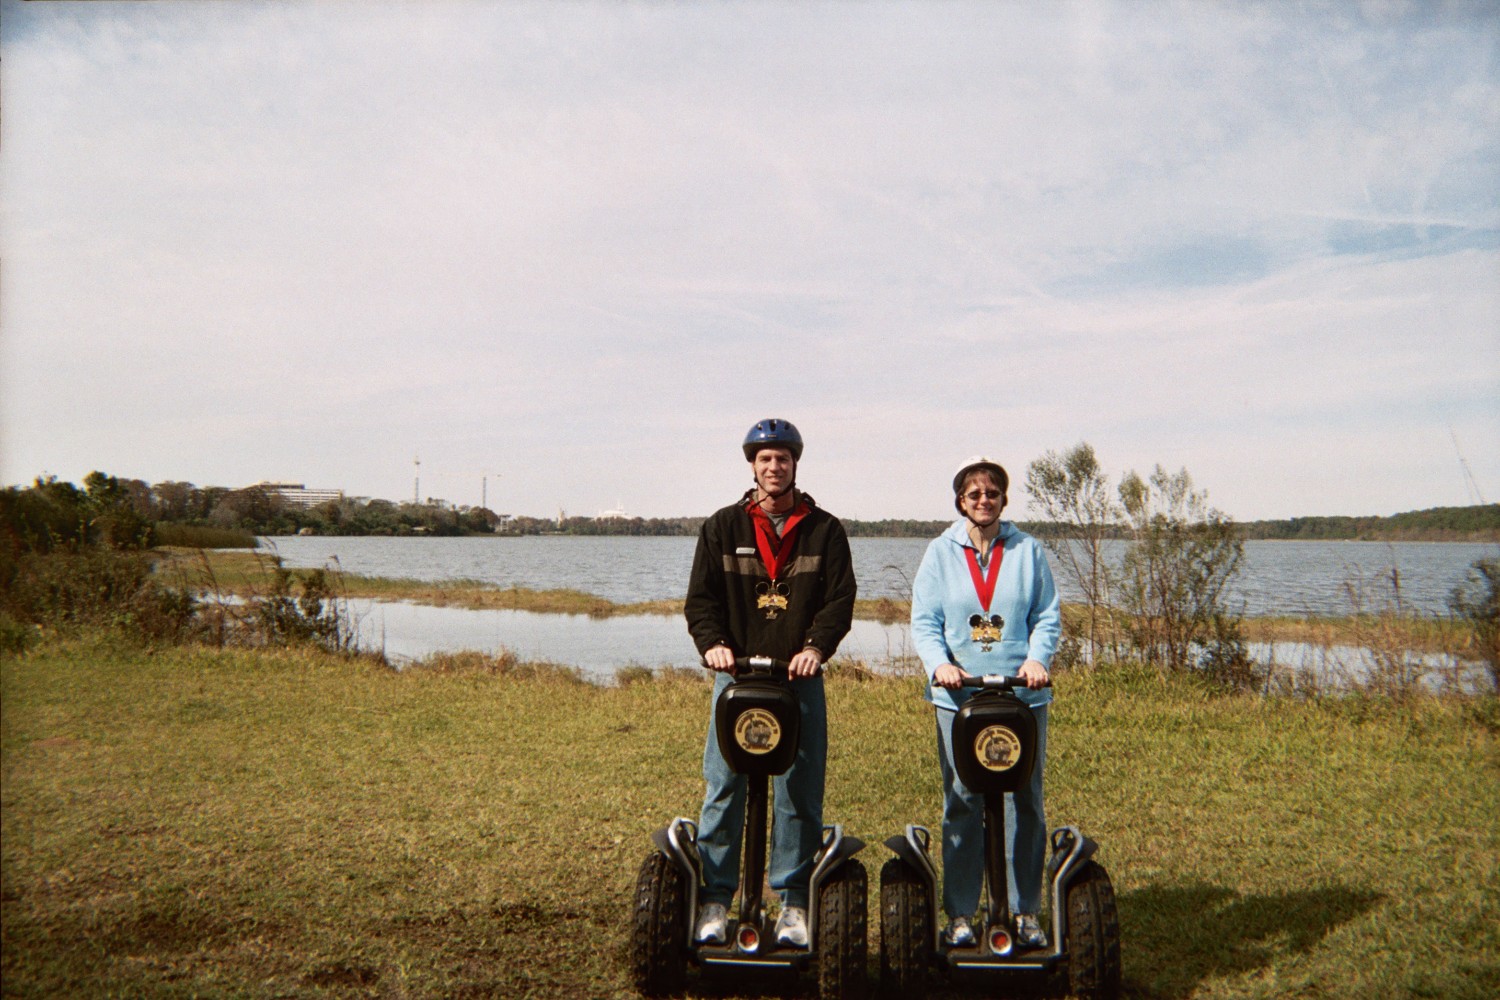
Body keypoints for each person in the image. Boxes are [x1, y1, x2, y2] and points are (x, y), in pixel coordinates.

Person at [684, 418, 857, 949]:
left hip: (797, 682)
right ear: (752, 466)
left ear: (795, 464)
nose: (773, 467)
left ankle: (795, 903)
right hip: (736, 680)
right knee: (724, 786)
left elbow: (839, 601)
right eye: (764, 459)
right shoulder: (722, 527)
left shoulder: (824, 529)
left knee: (799, 792)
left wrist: (814, 649)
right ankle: (714, 898)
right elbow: (701, 601)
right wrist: (714, 645)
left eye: (782, 458)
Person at [909, 455, 1061, 950]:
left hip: (1021, 697)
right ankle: (959, 912)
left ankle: (1025, 911)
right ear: (960, 501)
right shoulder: (939, 551)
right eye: (973, 493)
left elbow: (1047, 615)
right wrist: (940, 665)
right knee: (962, 799)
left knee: (1025, 801)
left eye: (991, 492)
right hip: (960, 697)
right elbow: (926, 620)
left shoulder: (1028, 550)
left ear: (1003, 499)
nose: (983, 500)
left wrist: (1037, 660)